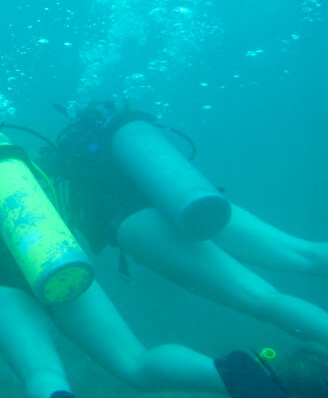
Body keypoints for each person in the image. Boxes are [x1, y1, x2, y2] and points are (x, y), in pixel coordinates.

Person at [0, 123, 307, 398]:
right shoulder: (21, 176)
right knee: (135, 361)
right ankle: (228, 373)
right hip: (56, 261)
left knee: (42, 373)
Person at [42, 100, 328, 349]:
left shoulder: (73, 147)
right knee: (307, 255)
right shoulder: (128, 131)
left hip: (133, 221)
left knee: (264, 299)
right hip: (193, 200)